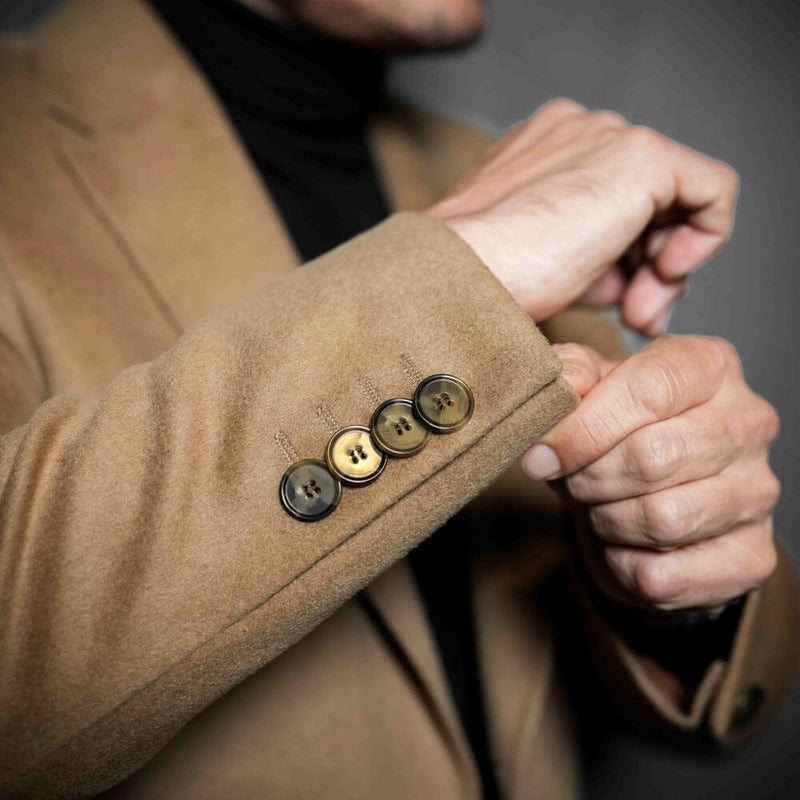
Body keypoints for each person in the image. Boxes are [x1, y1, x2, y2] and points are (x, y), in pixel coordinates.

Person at [0, 0, 796, 798]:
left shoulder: (497, 170)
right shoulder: (19, 140)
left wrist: (671, 570)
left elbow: (592, 633)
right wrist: (462, 262)